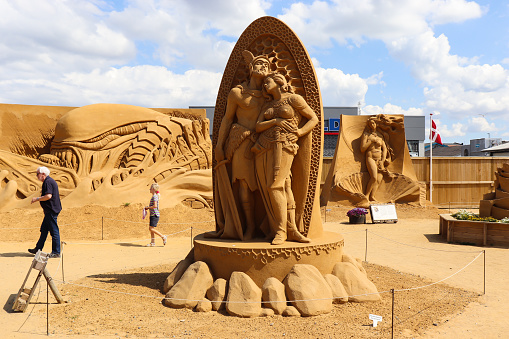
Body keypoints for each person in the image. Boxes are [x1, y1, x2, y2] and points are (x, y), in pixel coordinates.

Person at [252, 73, 318, 245]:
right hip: (264, 147)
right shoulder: (268, 104)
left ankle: (281, 231)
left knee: (275, 186)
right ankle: (292, 230)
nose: (265, 85)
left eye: (268, 82)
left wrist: (300, 132)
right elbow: (258, 127)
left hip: (285, 145)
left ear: (279, 82)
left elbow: (313, 118)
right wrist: (275, 122)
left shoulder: (293, 99)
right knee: (285, 186)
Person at [213, 51, 271, 240]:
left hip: (264, 145)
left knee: (269, 186)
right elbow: (227, 120)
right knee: (244, 188)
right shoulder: (237, 93)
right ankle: (250, 226)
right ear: (251, 67)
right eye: (259, 63)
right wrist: (219, 146)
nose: (262, 67)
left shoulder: (269, 94)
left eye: (266, 66)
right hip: (240, 143)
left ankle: (272, 226)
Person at [28, 166, 62, 258]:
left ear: (43, 174)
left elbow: (48, 196)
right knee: (44, 230)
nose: (37, 176)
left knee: (54, 231)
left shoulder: (48, 182)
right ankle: (38, 249)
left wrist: (37, 199)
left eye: (37, 174)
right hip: (50, 210)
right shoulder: (48, 181)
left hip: (51, 210)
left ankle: (56, 252)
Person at [360, 117, 393, 202]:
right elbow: (362, 149)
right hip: (370, 158)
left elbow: (384, 149)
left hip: (379, 160)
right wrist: (370, 141)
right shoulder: (366, 135)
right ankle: (366, 196)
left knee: (379, 178)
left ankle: (372, 196)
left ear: (376, 124)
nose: (372, 125)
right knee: (374, 177)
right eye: (370, 124)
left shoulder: (380, 136)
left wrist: (383, 160)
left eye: (373, 123)